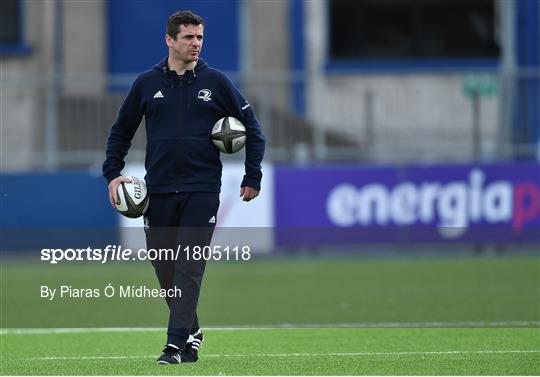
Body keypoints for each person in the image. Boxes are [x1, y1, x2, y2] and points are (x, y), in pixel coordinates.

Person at [103, 10, 265, 365]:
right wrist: (112, 173)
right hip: (157, 192)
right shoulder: (146, 84)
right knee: (165, 270)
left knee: (188, 267)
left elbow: (253, 129)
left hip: (202, 190)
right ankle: (192, 332)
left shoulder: (217, 82)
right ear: (170, 40)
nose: (196, 44)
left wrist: (253, 175)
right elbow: (121, 131)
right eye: (189, 37)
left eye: (200, 37)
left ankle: (174, 346)